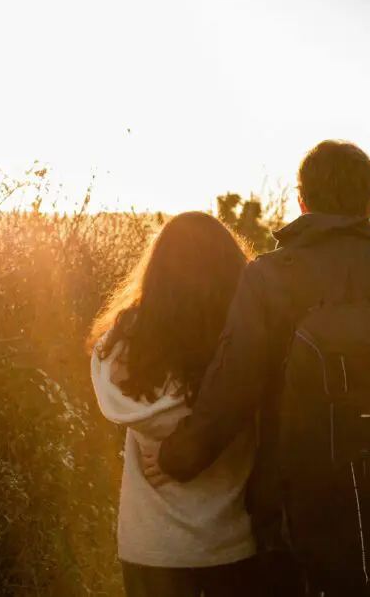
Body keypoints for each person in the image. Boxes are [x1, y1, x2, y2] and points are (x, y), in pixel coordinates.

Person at [146, 140, 370, 596]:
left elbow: (231, 391)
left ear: (302, 200)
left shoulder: (268, 278)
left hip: (294, 527)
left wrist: (177, 458)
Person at [87, 211, 262, 597]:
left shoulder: (127, 343)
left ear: (158, 269)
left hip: (151, 543)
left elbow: (100, 360)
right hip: (231, 540)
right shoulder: (243, 341)